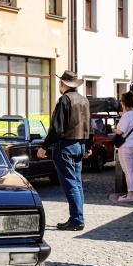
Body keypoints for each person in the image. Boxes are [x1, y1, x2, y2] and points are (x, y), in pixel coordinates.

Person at [37, 71, 91, 231]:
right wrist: (88, 146)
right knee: (77, 183)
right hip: (79, 145)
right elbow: (89, 125)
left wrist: (44, 146)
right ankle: (77, 217)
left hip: (65, 146)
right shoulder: (84, 100)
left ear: (63, 83)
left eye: (60, 82)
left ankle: (77, 219)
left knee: (70, 184)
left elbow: (57, 129)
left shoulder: (64, 100)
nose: (59, 84)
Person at [112, 92, 133, 202]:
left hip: (126, 145)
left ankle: (131, 194)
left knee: (128, 170)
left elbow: (120, 131)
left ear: (123, 102)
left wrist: (113, 129)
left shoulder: (127, 115)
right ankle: (131, 192)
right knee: (130, 170)